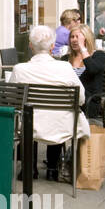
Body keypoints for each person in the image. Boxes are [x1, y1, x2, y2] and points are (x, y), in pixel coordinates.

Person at [9, 25, 90, 181]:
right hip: (61, 124)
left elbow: (14, 99)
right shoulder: (65, 67)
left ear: (30, 45)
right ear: (53, 46)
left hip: (30, 125)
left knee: (29, 117)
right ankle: (52, 169)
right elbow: (81, 98)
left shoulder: (20, 69)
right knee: (55, 116)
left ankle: (29, 169)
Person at [67, 24, 105, 120]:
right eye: (72, 37)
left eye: (78, 37)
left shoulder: (98, 55)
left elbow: (92, 69)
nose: (74, 40)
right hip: (67, 100)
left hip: (89, 103)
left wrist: (82, 48)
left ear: (86, 39)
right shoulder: (66, 59)